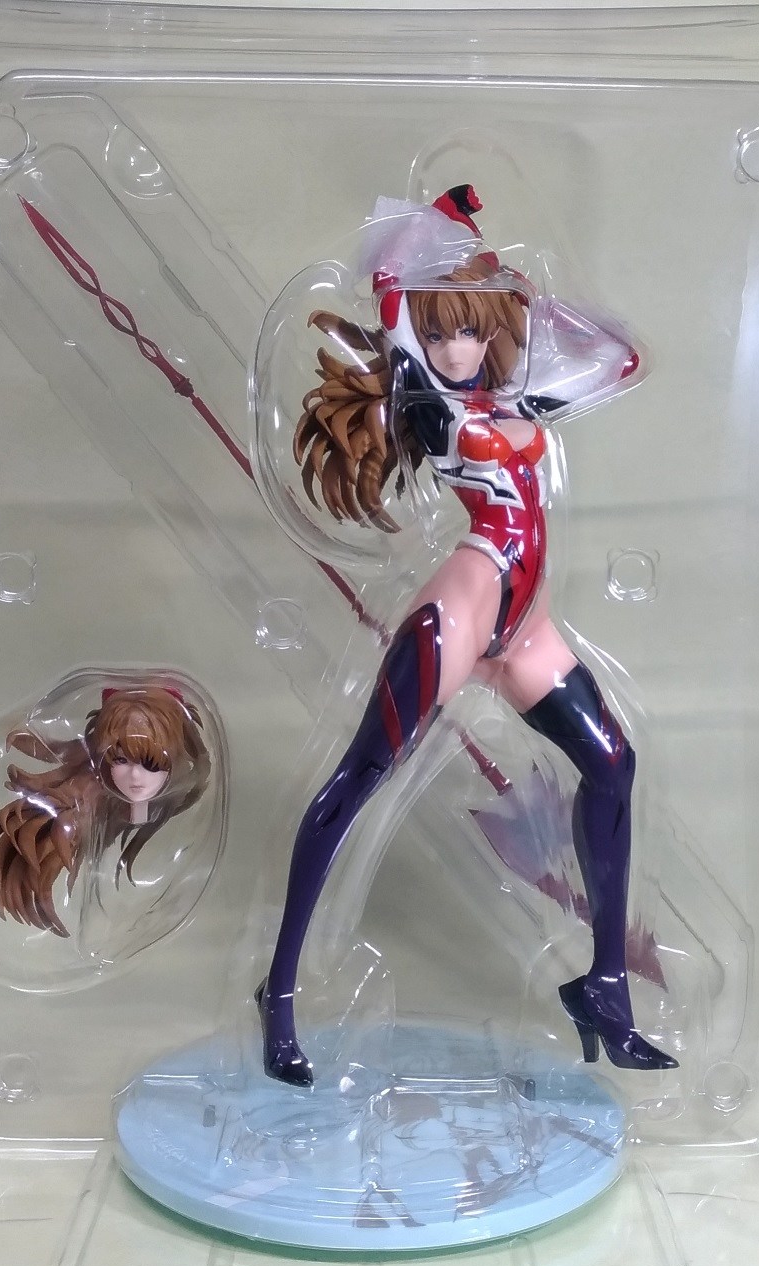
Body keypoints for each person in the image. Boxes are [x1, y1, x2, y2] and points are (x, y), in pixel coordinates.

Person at [257, 186, 676, 1084]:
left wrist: (519, 295)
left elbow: (625, 360)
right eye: (441, 333)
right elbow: (393, 298)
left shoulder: (519, 399)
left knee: (612, 764)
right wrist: (430, 247)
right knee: (357, 780)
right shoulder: (434, 407)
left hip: (526, 626)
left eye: (473, 332)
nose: (458, 349)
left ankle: (604, 986)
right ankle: (279, 993)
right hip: (468, 602)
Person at [0, 684, 210, 937]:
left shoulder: (173, 796)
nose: (135, 776)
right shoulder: (89, 795)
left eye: (152, 764)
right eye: (121, 760)